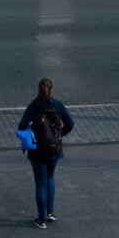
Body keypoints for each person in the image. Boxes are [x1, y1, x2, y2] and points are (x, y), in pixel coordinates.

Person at [17, 77, 74, 228]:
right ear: (52, 90)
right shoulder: (58, 105)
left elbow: (21, 126)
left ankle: (41, 219)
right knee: (50, 177)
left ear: (38, 90)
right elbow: (70, 123)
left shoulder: (33, 107)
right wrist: (60, 136)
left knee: (40, 183)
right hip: (54, 149)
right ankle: (50, 212)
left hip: (38, 151)